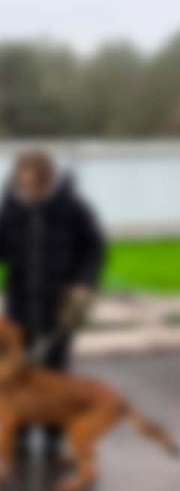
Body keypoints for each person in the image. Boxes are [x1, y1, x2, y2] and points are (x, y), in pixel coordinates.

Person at [0, 149, 104, 458]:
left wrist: (83, 284)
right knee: (18, 372)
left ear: (45, 181)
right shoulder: (13, 208)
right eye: (23, 183)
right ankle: (17, 434)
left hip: (58, 304)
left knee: (54, 372)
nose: (27, 189)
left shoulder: (69, 208)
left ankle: (52, 437)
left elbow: (93, 247)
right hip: (20, 303)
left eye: (33, 184)